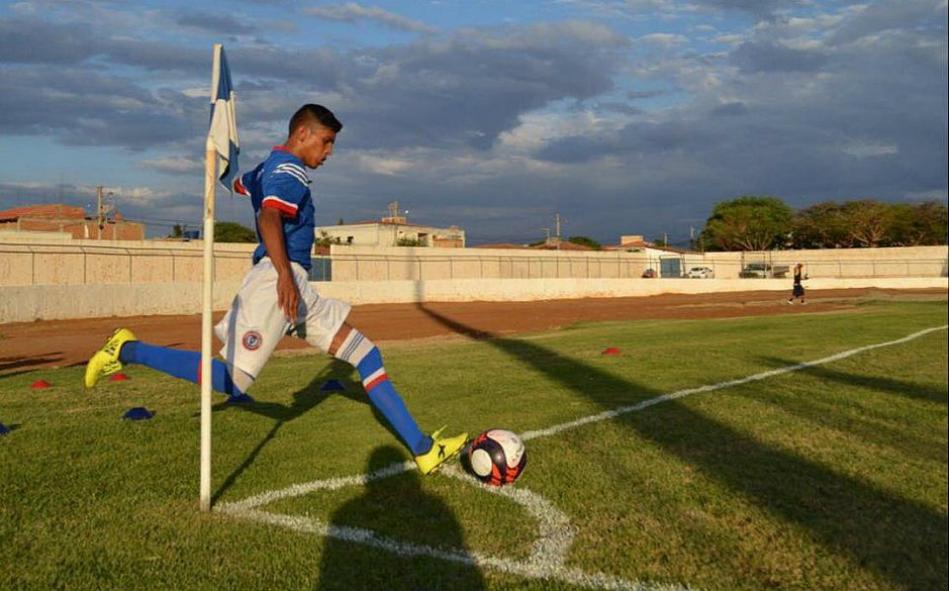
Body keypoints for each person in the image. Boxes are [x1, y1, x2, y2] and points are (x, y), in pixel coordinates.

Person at [84, 104, 467, 475]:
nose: (329, 152)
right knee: (233, 381)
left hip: (297, 285)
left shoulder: (269, 166)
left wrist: (222, 156)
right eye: (326, 141)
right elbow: (269, 216)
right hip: (277, 282)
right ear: (303, 134)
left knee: (367, 355)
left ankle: (424, 450)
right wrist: (284, 275)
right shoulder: (291, 171)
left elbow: (234, 181)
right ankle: (126, 348)